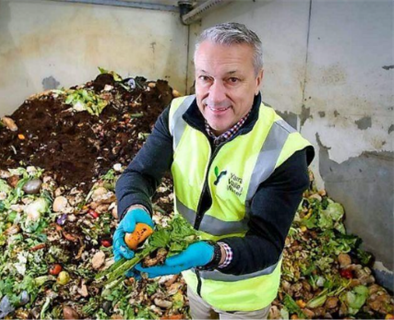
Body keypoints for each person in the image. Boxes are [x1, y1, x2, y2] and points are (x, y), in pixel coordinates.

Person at [113, 22, 314, 320]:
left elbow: (266, 244)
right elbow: (139, 175)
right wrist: (134, 207)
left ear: (258, 80)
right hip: (194, 281)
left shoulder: (284, 151)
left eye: (232, 79)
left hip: (244, 294)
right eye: (205, 78)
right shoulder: (176, 116)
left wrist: (212, 254)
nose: (215, 97)